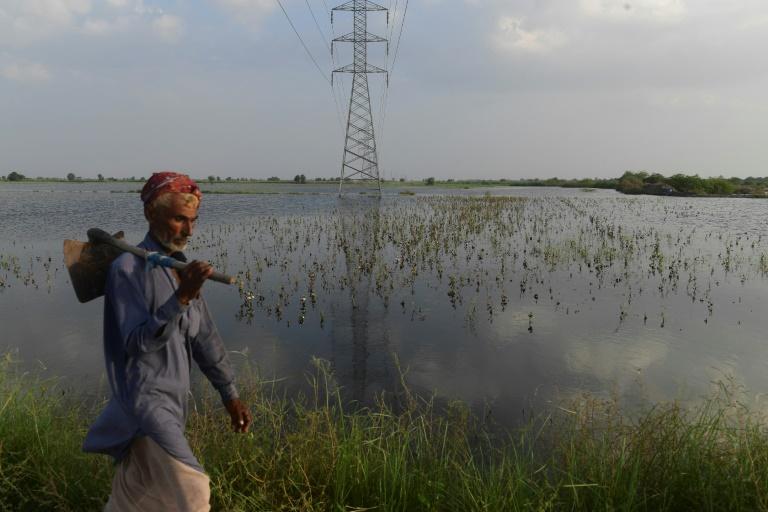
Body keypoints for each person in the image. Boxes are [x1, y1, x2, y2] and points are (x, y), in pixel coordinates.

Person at [83, 171, 252, 511]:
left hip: (173, 402)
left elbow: (206, 340)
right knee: (194, 492)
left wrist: (230, 395)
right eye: (179, 219)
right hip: (144, 403)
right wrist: (181, 299)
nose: (189, 230)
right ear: (151, 214)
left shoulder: (179, 268)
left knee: (135, 497)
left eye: (193, 221)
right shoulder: (127, 270)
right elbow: (136, 344)